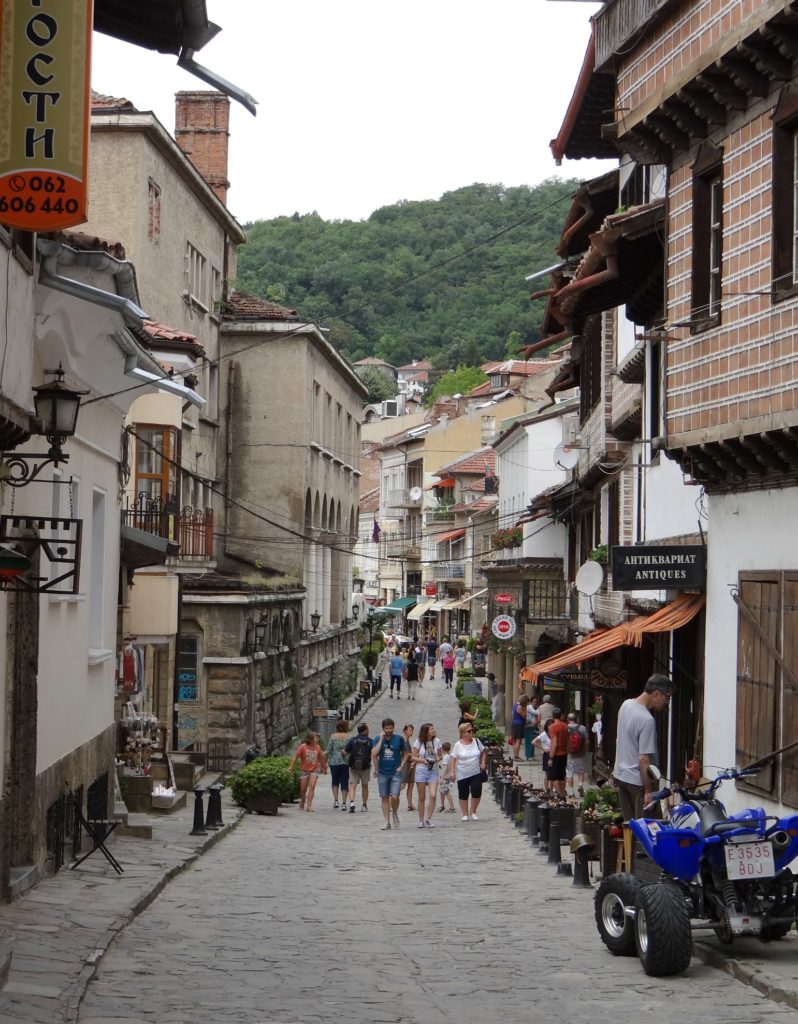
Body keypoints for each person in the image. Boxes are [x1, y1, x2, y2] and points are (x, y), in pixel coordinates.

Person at [613, 673, 675, 821]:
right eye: (667, 698)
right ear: (656, 694)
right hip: (638, 782)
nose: (667, 702)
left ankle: (629, 846)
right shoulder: (647, 720)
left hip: (621, 776)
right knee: (649, 829)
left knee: (630, 826)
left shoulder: (626, 705)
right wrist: (648, 791)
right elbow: (643, 760)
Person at [372, 718, 410, 830]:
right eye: (386, 728)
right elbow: (374, 753)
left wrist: (402, 766)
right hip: (383, 772)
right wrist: (381, 740)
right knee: (384, 797)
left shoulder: (399, 739)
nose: (389, 730)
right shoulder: (377, 739)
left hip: (395, 772)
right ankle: (387, 821)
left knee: (395, 796)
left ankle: (394, 813)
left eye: (391, 728)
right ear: (383, 729)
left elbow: (406, 753)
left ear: (393, 727)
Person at [449, 721, 486, 821]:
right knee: (463, 793)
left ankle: (473, 811)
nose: (471, 732)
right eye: (469, 731)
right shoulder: (458, 745)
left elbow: (483, 752)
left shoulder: (477, 741)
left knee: (477, 791)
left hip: (475, 772)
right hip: (462, 773)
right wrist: (452, 771)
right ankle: (465, 813)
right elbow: (453, 758)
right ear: (463, 733)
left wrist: (482, 762)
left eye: (472, 730)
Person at [412, 722, 443, 828]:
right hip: (421, 770)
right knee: (422, 797)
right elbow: (413, 756)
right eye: (431, 729)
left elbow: (440, 756)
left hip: (433, 771)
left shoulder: (437, 741)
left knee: (433, 795)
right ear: (426, 732)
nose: (434, 730)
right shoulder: (419, 742)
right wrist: (422, 760)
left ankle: (428, 818)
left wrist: (435, 760)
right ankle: (421, 820)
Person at [288, 731, 327, 812]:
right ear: (311, 739)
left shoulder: (318, 747)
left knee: (312, 786)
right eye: (316, 738)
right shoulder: (303, 747)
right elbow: (295, 756)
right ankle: (302, 800)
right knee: (303, 789)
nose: (317, 739)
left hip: (314, 769)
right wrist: (291, 766)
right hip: (304, 770)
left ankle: (309, 806)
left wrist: (324, 768)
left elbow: (321, 758)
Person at [345, 721, 373, 812]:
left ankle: (352, 802)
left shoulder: (353, 740)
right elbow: (373, 752)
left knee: (352, 785)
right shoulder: (369, 741)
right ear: (365, 730)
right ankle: (364, 805)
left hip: (353, 766)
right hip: (365, 766)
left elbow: (346, 752)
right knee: (365, 785)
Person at [326, 719, 351, 810]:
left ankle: (336, 801)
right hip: (345, 762)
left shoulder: (333, 737)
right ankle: (344, 803)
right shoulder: (349, 737)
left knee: (335, 781)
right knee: (345, 782)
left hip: (334, 762)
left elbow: (329, 750)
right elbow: (351, 749)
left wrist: (326, 759)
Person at [565, 712, 589, 797]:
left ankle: (571, 792)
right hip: (580, 753)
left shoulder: (565, 728)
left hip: (569, 754)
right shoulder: (582, 728)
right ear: (576, 719)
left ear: (568, 719)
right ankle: (580, 785)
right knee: (581, 771)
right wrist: (585, 751)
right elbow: (586, 742)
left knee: (569, 772)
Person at [546, 707, 568, 798]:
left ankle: (559, 795)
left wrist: (551, 757)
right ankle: (563, 793)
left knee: (554, 776)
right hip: (564, 753)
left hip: (556, 754)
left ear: (553, 716)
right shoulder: (565, 726)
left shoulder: (552, 727)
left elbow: (554, 743)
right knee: (562, 775)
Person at [399, 723, 416, 809]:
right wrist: (413, 754)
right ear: (405, 731)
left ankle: (410, 804)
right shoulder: (403, 740)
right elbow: (403, 753)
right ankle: (392, 802)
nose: (411, 732)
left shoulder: (408, 740)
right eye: (409, 730)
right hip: (404, 766)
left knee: (411, 784)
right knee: (401, 785)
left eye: (412, 730)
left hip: (410, 765)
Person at [438, 742, 456, 813]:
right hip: (448, 776)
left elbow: (445, 767)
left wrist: (441, 777)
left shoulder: (445, 757)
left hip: (446, 777)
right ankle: (442, 805)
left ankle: (452, 807)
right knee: (442, 791)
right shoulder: (449, 756)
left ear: (442, 749)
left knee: (447, 792)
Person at [510, 695, 530, 760]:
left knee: (515, 740)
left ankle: (515, 755)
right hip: (519, 724)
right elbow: (524, 716)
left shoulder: (515, 705)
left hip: (514, 723)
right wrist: (526, 710)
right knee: (518, 741)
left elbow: (512, 714)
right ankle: (516, 756)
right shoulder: (520, 707)